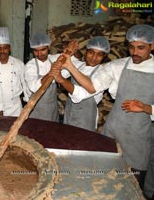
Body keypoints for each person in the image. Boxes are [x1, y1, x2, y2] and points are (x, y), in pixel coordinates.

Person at [58, 24, 154, 192]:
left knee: (133, 183)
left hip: (139, 137)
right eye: (131, 47)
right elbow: (91, 87)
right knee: (105, 178)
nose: (135, 53)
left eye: (141, 48)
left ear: (152, 46)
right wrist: (70, 66)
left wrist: (147, 108)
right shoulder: (117, 66)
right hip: (113, 130)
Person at [54, 36, 110, 132]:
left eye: (99, 55)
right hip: (70, 111)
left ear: (104, 57)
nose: (94, 58)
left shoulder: (104, 74)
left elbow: (81, 94)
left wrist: (62, 80)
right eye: (91, 52)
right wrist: (72, 48)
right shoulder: (79, 65)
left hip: (86, 117)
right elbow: (72, 61)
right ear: (86, 52)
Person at [25, 33, 79, 121]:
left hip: (52, 109)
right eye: (36, 50)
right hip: (36, 110)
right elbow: (34, 86)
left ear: (49, 47)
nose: (39, 54)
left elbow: (76, 60)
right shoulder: (30, 66)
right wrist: (51, 72)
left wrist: (72, 49)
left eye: (43, 50)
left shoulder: (55, 59)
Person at [0, 27, 29, 116]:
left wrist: (28, 102)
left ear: (9, 48)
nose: (2, 51)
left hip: (16, 107)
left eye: (5, 48)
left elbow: (25, 84)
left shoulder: (19, 64)